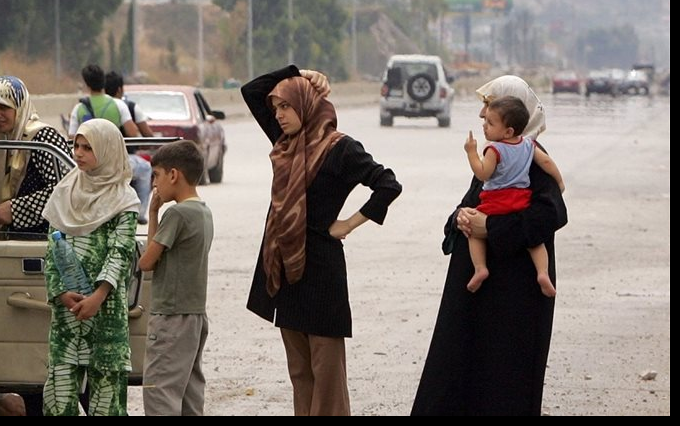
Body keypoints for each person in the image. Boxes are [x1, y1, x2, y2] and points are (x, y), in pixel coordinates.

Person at [242, 65, 402, 416]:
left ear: (307, 105)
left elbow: (387, 184)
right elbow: (252, 91)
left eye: (286, 106)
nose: (279, 116)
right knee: (300, 372)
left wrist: (349, 223)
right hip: (285, 266)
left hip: (321, 270)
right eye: (277, 109)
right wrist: (300, 71)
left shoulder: (339, 148)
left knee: (326, 372)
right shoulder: (285, 143)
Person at [412, 75, 568, 416]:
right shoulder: (496, 156)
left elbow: (551, 215)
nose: (483, 114)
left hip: (515, 297)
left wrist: (492, 226)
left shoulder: (531, 158)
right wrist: (460, 217)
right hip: (477, 293)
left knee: (505, 382)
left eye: (490, 106)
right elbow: (471, 203)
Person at [40, 119, 140, 416]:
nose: (79, 153)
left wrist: (98, 296)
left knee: (107, 398)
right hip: (68, 311)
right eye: (77, 146)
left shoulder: (124, 200)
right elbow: (52, 249)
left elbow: (120, 253)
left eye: (88, 148)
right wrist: (60, 293)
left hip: (105, 311)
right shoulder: (65, 191)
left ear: (107, 151)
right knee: (59, 396)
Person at [137, 139, 214, 416]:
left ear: (173, 175)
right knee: (190, 392)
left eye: (156, 175)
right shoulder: (203, 212)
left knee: (161, 393)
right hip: (194, 316)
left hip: (170, 317)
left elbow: (147, 262)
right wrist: (155, 211)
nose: (154, 184)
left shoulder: (177, 214)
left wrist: (154, 213)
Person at [464, 95, 565, 296]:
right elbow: (547, 162)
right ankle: (543, 272)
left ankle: (480, 268)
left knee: (473, 232)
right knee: (535, 242)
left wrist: (471, 153)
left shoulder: (493, 149)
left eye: (489, 121)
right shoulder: (528, 146)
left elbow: (483, 174)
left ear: (508, 129)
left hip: (495, 203)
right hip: (521, 199)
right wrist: (560, 182)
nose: (482, 118)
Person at [0, 76, 71, 237]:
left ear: (19, 106)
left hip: (46, 243)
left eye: (3, 107)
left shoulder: (43, 138)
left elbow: (66, 191)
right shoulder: (7, 140)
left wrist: (15, 210)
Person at [105, 70, 156, 224]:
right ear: (120, 89)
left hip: (99, 160)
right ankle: (140, 212)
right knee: (146, 168)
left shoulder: (88, 106)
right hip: (125, 160)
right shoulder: (130, 107)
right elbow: (146, 135)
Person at [67, 64, 140, 139]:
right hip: (113, 149)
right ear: (103, 81)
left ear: (87, 85)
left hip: (90, 150)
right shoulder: (119, 104)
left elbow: (72, 137)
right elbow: (132, 133)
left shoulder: (78, 108)